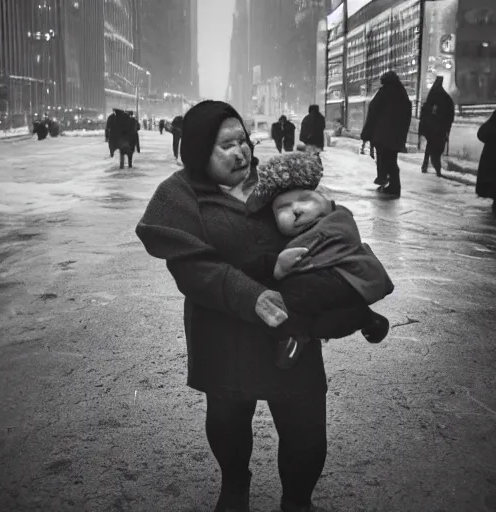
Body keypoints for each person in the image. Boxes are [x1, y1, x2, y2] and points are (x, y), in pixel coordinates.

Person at [136, 100, 372, 512]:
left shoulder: (275, 181)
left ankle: (298, 501)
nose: (241, 151)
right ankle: (234, 487)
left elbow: (322, 220)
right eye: (225, 145)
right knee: (228, 421)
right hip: (224, 330)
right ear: (196, 151)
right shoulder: (179, 195)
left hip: (290, 327)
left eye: (242, 140)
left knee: (306, 428)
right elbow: (193, 269)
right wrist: (255, 292)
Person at [243, 151, 394, 369]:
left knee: (292, 296)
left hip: (346, 276)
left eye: (305, 200)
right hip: (343, 287)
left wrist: (279, 265)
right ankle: (366, 318)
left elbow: (322, 246)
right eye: (282, 208)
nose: (295, 211)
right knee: (322, 311)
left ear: (324, 202)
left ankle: (294, 336)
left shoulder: (335, 219)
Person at [361, 70, 412, 199]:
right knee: (392, 160)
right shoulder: (402, 93)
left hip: (382, 134)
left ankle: (387, 182)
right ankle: (393, 185)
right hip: (396, 135)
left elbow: (372, 113)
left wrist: (366, 134)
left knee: (383, 159)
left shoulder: (383, 93)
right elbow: (406, 116)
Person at [418, 76, 455, 176]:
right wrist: (447, 129)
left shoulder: (432, 96)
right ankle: (436, 168)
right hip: (441, 129)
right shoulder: (446, 98)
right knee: (437, 148)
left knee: (429, 146)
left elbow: (425, 112)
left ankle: (426, 165)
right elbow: (450, 114)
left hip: (432, 128)